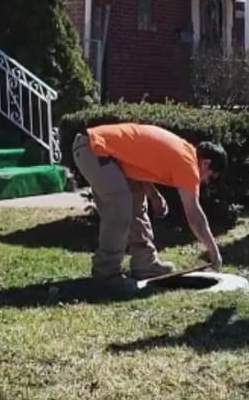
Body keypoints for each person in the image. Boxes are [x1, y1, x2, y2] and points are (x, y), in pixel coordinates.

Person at [71, 122, 226, 293]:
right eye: (210, 177)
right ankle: (106, 274)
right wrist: (214, 251)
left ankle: (145, 263)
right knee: (119, 208)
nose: (205, 182)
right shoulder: (188, 164)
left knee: (137, 201)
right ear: (205, 163)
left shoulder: (183, 152)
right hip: (94, 149)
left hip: (100, 151)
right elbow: (194, 215)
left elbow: (139, 163)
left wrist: (153, 195)